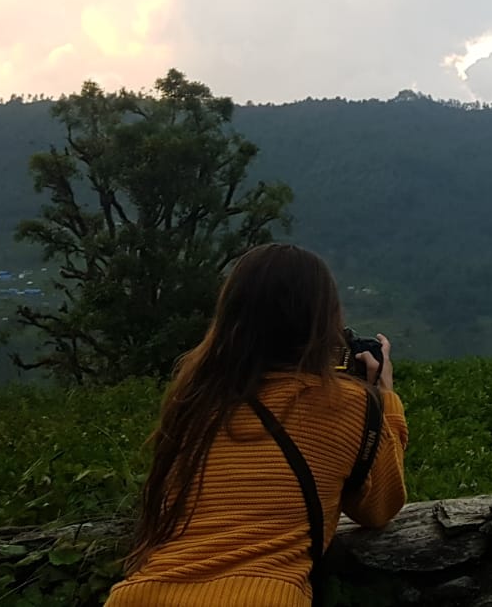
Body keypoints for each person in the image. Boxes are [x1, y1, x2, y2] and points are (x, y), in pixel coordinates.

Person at [106, 243, 408, 607]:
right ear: (322, 320)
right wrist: (384, 398)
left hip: (138, 596)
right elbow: (380, 508)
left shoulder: (195, 397)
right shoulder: (346, 403)